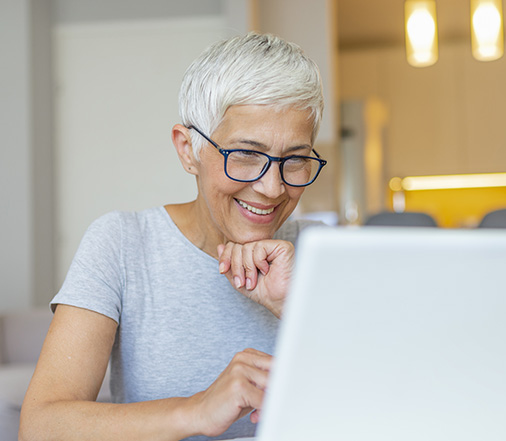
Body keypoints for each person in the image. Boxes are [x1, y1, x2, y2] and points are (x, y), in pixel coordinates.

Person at [19, 32, 327, 441]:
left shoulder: (322, 252)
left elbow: (395, 399)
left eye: (295, 160)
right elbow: (41, 427)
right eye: (245, 154)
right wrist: (196, 410)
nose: (272, 188)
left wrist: (296, 308)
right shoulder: (122, 244)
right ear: (188, 149)